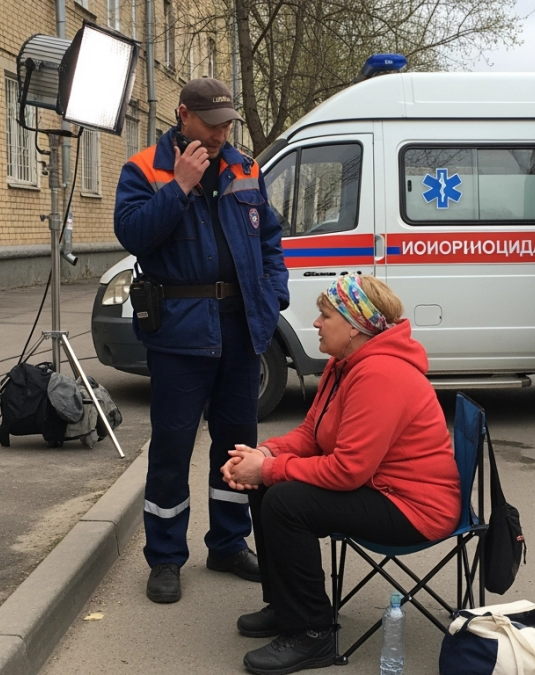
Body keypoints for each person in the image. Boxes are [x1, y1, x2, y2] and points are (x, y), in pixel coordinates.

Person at [221, 275, 461, 675]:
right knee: (268, 488)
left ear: (354, 326)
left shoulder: (379, 374)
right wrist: (266, 454)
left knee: (283, 501)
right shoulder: (344, 364)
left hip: (415, 508)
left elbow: (348, 470)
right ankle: (287, 608)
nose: (316, 323)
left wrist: (268, 469)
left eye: (324, 315)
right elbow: (312, 434)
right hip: (381, 488)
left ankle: (312, 635)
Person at [113, 77, 289, 604]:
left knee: (236, 448)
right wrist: (179, 187)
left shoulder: (245, 167)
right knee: (171, 448)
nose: (220, 134)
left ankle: (228, 543)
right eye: (211, 125)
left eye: (226, 124)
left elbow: (270, 238)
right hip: (179, 332)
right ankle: (165, 557)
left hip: (241, 328)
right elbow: (133, 235)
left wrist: (273, 291)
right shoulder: (145, 168)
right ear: (183, 115)